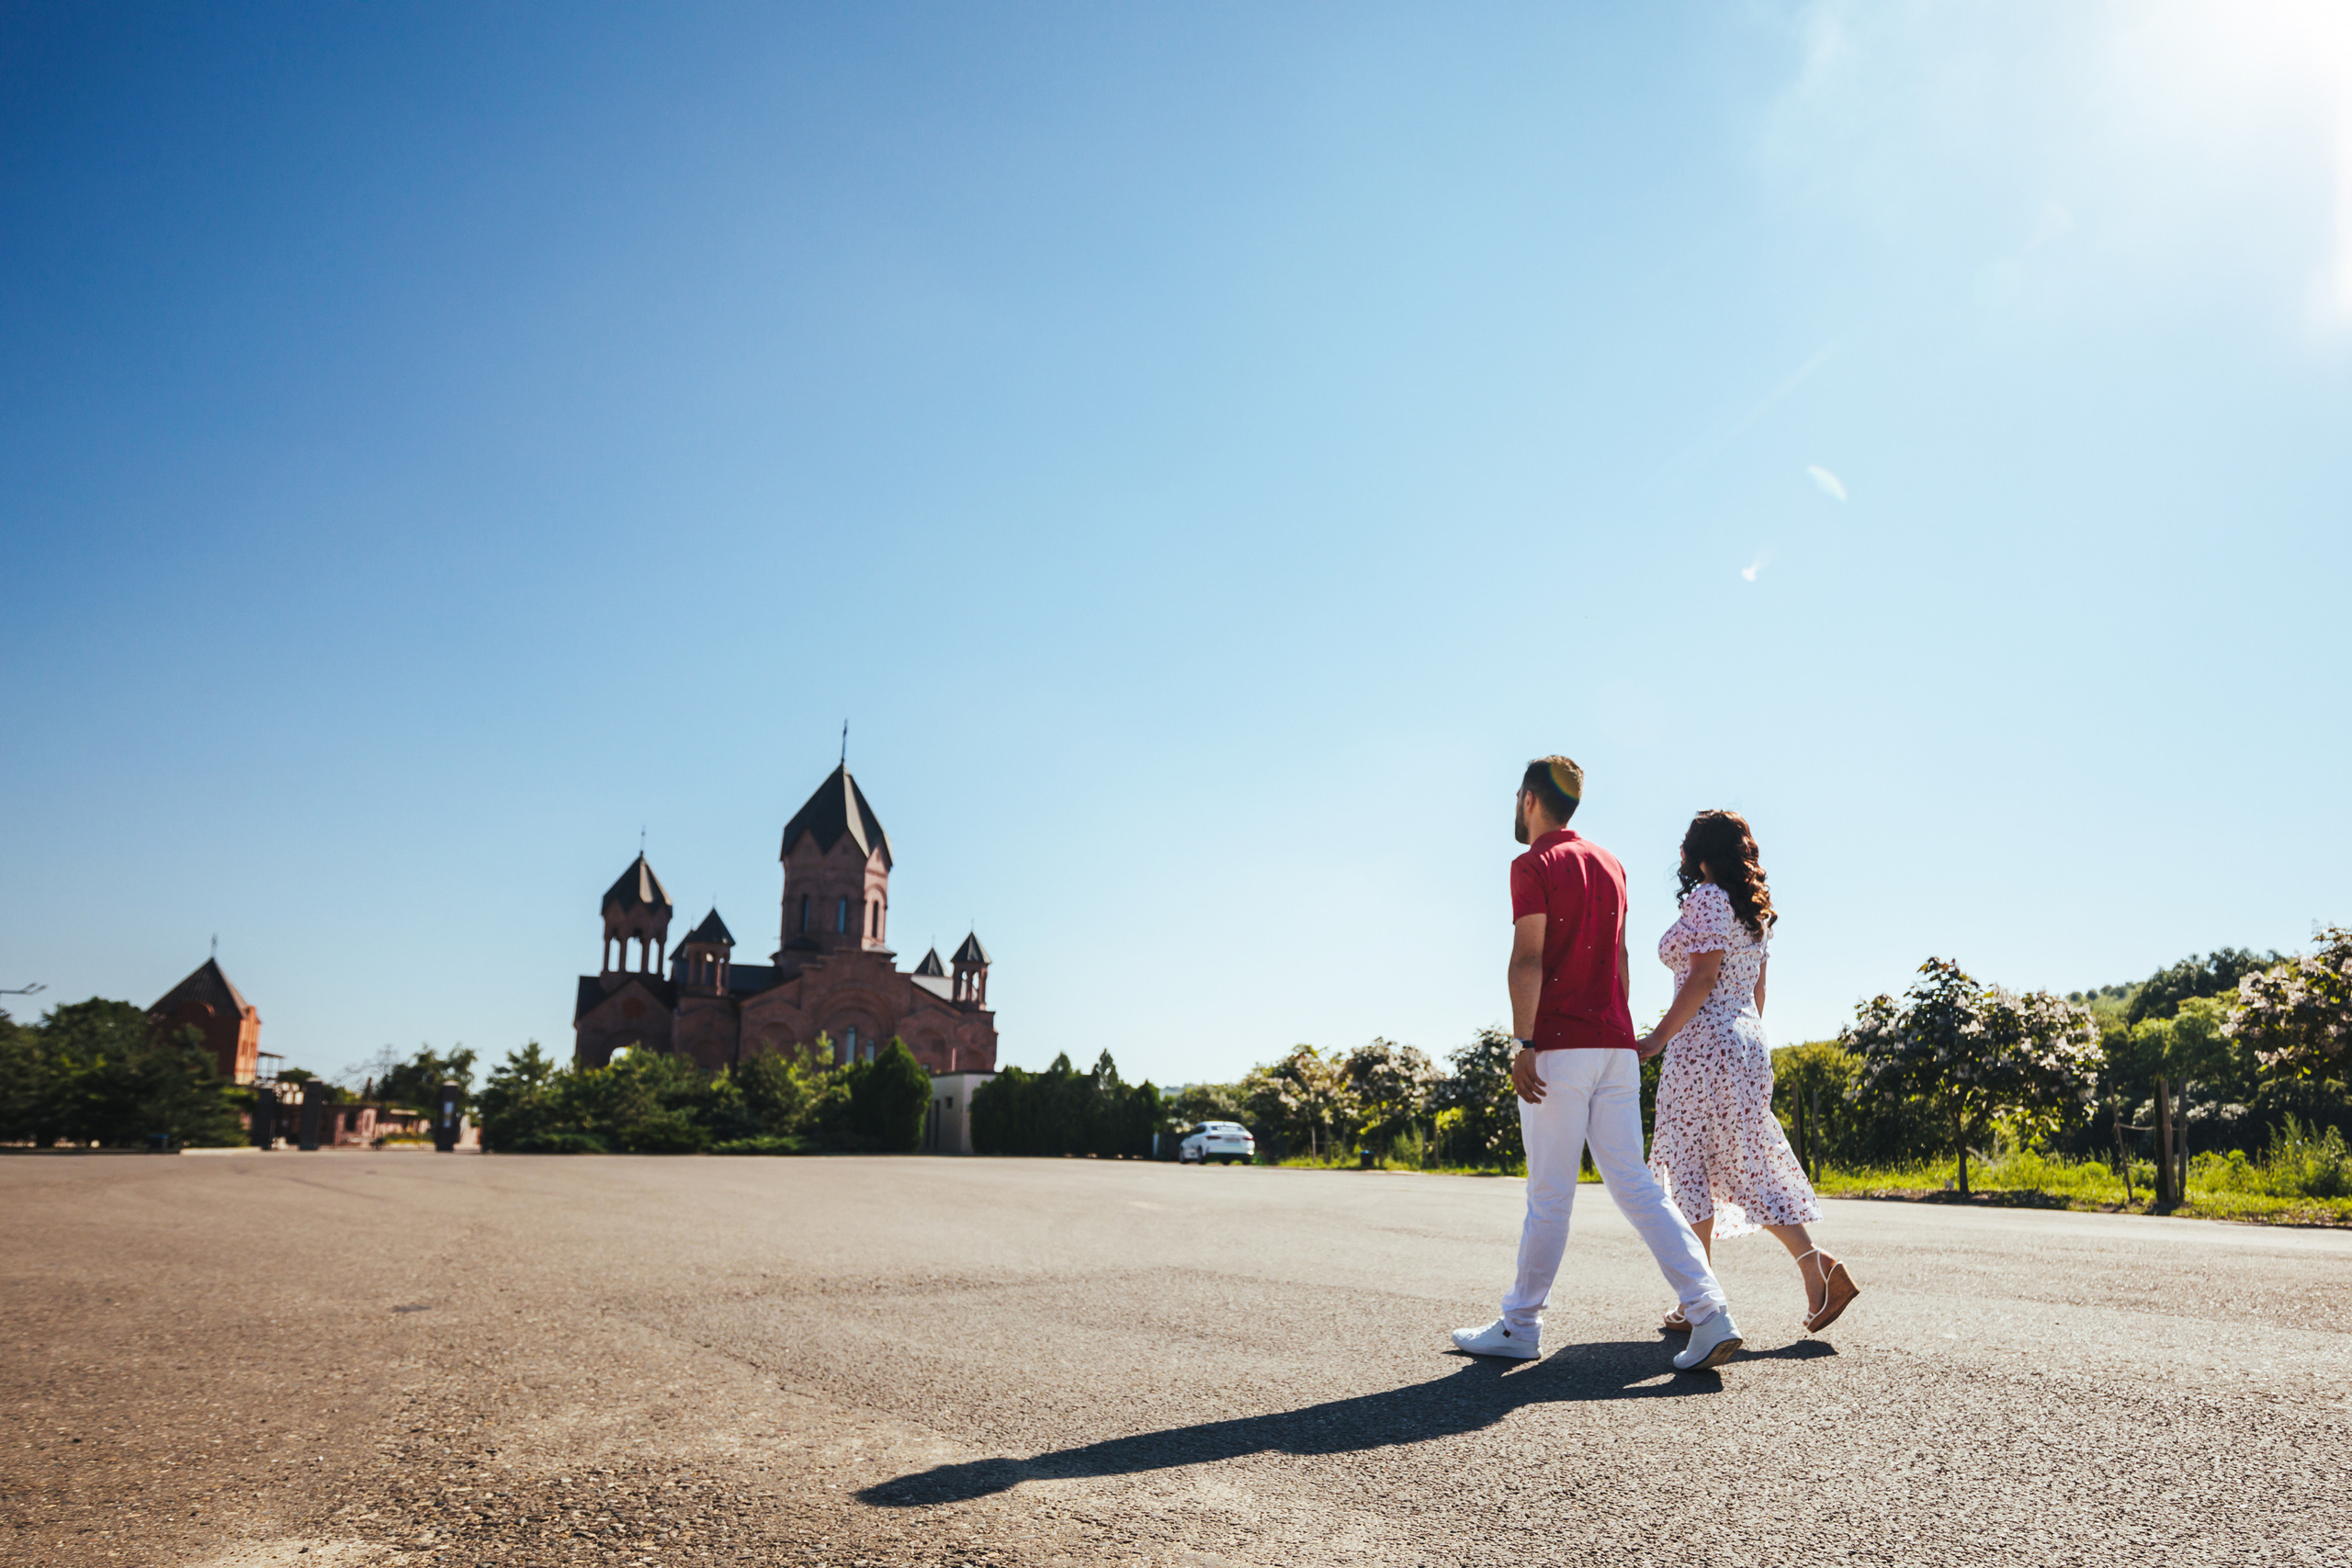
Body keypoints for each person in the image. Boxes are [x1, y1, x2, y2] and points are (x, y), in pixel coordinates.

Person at [1452, 757, 1744, 1373]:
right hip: (1615, 1044)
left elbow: (1527, 958)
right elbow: (1621, 960)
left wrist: (1524, 1042)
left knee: (1550, 1193)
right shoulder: (1611, 863)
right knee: (1635, 1184)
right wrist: (1620, 1030)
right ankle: (1709, 1307)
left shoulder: (1532, 864)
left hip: (1559, 1046)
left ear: (1530, 800)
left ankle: (1520, 1325)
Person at [1640, 810, 1859, 1335]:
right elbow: (1757, 990)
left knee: (1690, 1163)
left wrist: (1655, 1038)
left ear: (1699, 853)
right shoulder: (1753, 910)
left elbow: (1702, 977)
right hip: (1748, 1039)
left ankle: (1701, 1300)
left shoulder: (1708, 899)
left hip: (1703, 1043)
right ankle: (1817, 1269)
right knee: (1748, 1162)